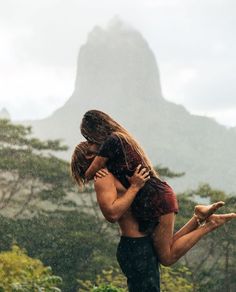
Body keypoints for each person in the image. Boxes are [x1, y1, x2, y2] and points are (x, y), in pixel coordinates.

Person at [71, 142, 236, 291]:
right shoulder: (103, 177)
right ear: (88, 156)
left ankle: (201, 219)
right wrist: (135, 187)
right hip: (136, 247)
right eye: (95, 148)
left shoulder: (116, 170)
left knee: (167, 254)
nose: (102, 149)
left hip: (141, 243)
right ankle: (206, 223)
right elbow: (112, 214)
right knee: (166, 259)